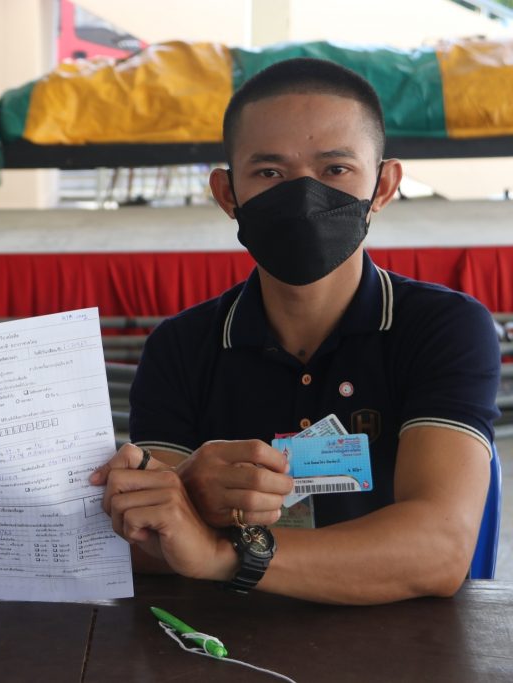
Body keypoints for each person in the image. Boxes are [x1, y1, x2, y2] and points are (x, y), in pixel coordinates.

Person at [90, 58, 499, 605]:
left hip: (402, 636)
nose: (304, 196)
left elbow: (439, 550)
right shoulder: (182, 346)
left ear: (383, 186)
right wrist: (186, 486)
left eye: (335, 169)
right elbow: (148, 535)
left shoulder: (442, 328)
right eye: (269, 173)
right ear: (227, 194)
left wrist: (225, 552)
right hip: (220, 636)